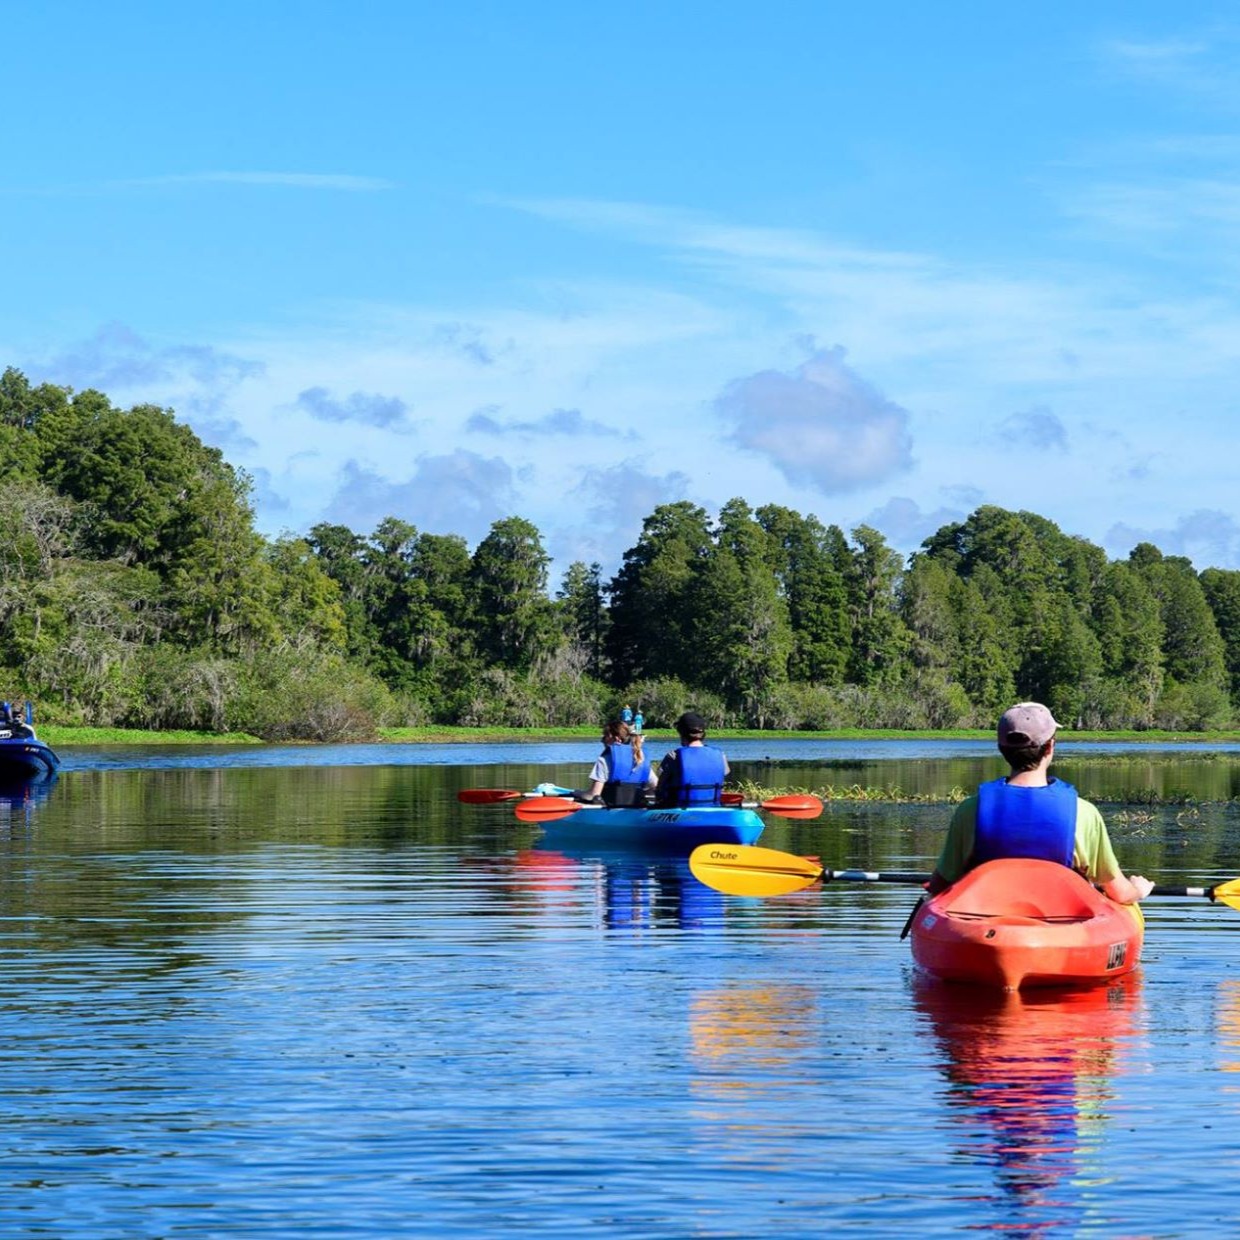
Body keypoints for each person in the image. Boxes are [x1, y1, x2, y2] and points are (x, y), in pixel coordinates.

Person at [927, 702, 1153, 904]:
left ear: (1001, 748)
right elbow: (1120, 893)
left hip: (986, 920)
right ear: (1050, 746)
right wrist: (1138, 890)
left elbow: (939, 887)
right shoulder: (1083, 813)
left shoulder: (971, 809)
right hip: (1059, 922)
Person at [655, 711, 730, 807]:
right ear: (703, 734)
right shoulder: (721, 755)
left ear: (681, 732)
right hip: (712, 807)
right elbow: (726, 772)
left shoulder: (673, 756)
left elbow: (660, 785)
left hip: (679, 809)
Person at [584, 717, 656, 806]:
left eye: (606, 736)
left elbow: (593, 795)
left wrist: (577, 793)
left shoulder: (605, 759)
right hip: (637, 808)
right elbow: (656, 786)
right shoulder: (640, 757)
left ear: (617, 739)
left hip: (611, 809)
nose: (602, 740)